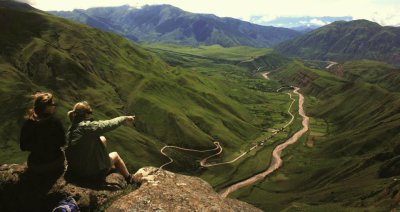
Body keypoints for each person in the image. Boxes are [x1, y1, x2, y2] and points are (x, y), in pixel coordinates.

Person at [65, 101, 135, 183]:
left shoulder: (72, 128)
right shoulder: (88, 127)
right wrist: (125, 118)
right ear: (86, 114)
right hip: (90, 174)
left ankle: (102, 162)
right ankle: (129, 179)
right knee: (115, 155)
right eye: (90, 112)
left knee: (102, 138)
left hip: (75, 170)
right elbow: (110, 124)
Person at [20, 92, 66, 174]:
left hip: (34, 165)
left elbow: (23, 146)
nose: (54, 106)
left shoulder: (28, 123)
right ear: (46, 107)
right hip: (53, 163)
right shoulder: (55, 122)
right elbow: (62, 142)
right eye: (52, 104)